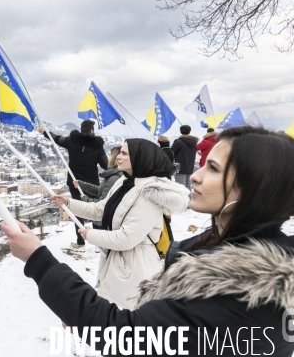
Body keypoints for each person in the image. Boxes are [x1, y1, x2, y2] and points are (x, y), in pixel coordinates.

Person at [1, 126, 294, 355]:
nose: (197, 176)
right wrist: (86, 317)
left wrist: (38, 260)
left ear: (254, 188)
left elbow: (127, 335)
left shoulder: (243, 290)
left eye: (213, 168)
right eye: (203, 163)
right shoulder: (222, 250)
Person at [47, 139, 190, 309]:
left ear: (140, 158)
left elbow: (127, 238)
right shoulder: (124, 182)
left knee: (126, 319)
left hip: (136, 269)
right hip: (117, 262)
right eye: (120, 152)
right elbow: (100, 209)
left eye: (124, 153)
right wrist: (69, 203)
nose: (118, 158)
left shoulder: (149, 195)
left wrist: (90, 235)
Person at [39, 120, 107, 248]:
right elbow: (105, 164)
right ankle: (98, 242)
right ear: (92, 131)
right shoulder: (97, 146)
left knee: (77, 210)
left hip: (74, 183)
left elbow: (56, 138)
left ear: (81, 130)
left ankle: (80, 241)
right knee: (97, 211)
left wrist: (44, 132)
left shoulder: (72, 141)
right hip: (92, 184)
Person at [73, 146, 122, 230]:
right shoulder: (112, 175)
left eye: (110, 155)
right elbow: (99, 191)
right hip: (101, 220)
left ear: (114, 158)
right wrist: (82, 184)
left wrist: (85, 198)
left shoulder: (114, 178)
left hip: (102, 221)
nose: (108, 157)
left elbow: (102, 202)